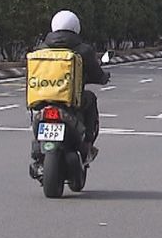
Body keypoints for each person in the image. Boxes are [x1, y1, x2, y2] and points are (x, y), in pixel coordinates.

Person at [36, 10, 110, 161]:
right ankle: (87, 143)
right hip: (72, 101)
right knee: (91, 98)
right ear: (76, 27)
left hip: (45, 99)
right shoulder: (83, 50)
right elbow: (97, 74)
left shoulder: (41, 49)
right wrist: (103, 78)